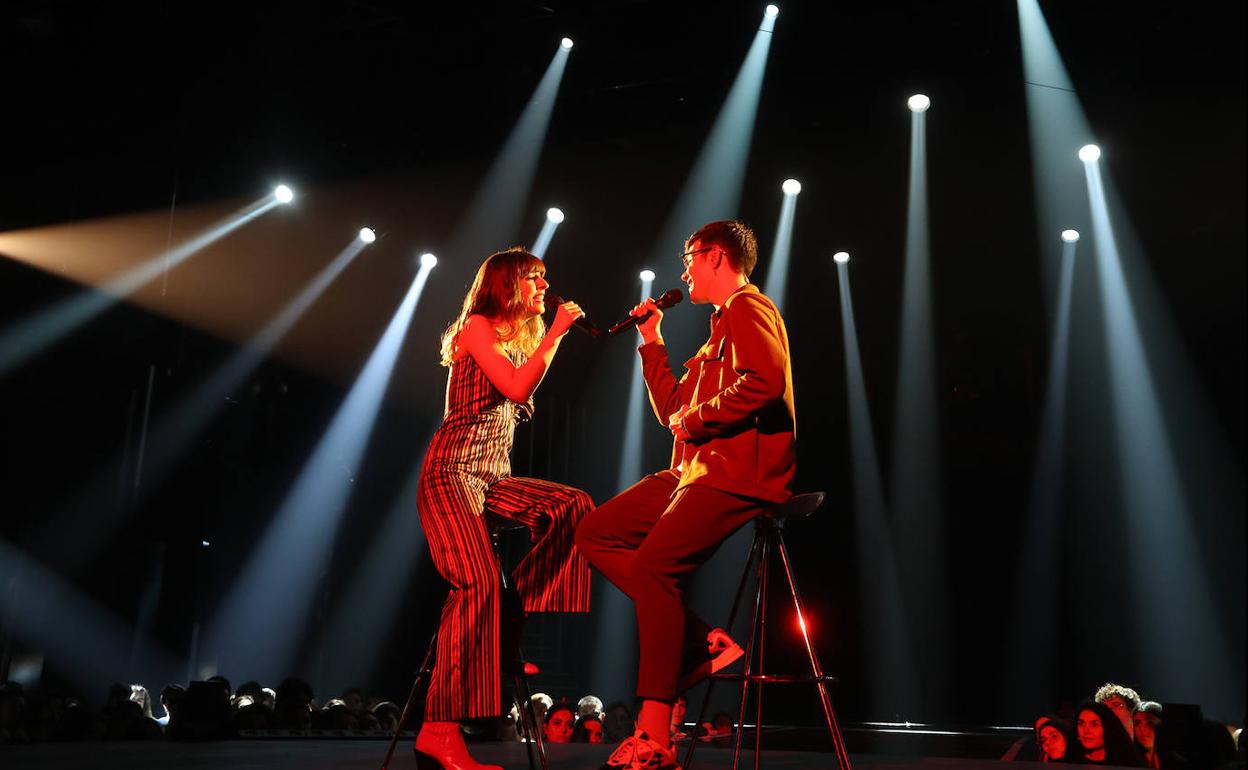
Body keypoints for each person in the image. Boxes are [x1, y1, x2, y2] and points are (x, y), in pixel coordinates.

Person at [576, 220, 795, 770]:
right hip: (693, 470)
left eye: (689, 257)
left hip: (735, 471)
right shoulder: (716, 330)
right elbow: (675, 411)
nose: (683, 270)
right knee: (595, 532)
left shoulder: (749, 308)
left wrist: (697, 418)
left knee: (652, 570)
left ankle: (655, 736)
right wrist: (652, 342)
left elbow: (765, 381)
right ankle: (703, 643)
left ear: (716, 256)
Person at [413, 248, 594, 770]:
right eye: (534, 278)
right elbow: (516, 386)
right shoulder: (475, 326)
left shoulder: (520, 341)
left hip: (493, 479)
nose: (544, 286)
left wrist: (548, 337)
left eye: (544, 278)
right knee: (477, 583)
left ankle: (510, 618)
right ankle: (439, 730)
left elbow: (521, 382)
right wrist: (556, 333)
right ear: (507, 284)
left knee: (571, 507)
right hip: (451, 474)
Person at [1076, 700, 1147, 766]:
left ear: (1108, 727)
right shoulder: (1071, 760)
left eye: (1094, 725)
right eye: (1081, 723)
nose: (1086, 731)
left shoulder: (1128, 763)